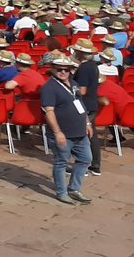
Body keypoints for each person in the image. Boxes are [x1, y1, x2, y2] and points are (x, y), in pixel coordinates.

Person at [41, 55, 93, 204]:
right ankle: (61, 192)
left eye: (66, 69)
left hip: (80, 132)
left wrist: (87, 123)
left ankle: (74, 189)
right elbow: (49, 111)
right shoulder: (49, 88)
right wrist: (57, 132)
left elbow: (80, 104)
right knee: (61, 162)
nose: (63, 72)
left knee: (85, 159)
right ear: (52, 70)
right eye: (59, 69)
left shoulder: (74, 84)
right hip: (63, 134)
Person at [69, 38, 102, 176]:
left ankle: (83, 164)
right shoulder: (93, 65)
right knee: (91, 134)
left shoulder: (84, 68)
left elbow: (82, 90)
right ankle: (94, 165)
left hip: (84, 104)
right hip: (92, 102)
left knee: (80, 135)